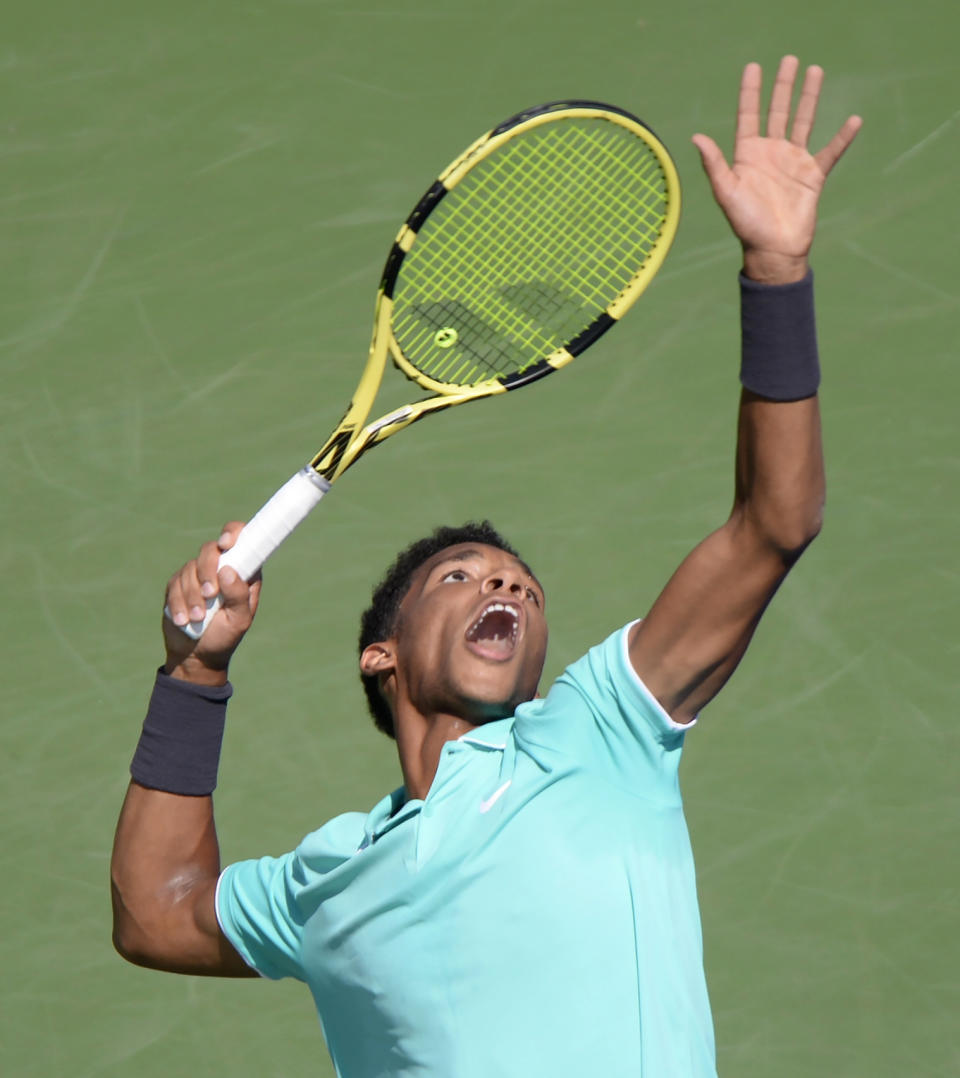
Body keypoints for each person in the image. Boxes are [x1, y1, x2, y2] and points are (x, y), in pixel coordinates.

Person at [111, 56, 861, 1078]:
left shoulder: (600, 735)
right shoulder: (327, 878)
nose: (506, 586)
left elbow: (773, 524)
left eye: (522, 585)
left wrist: (776, 273)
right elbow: (157, 917)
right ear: (379, 655)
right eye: (461, 575)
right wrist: (193, 677)